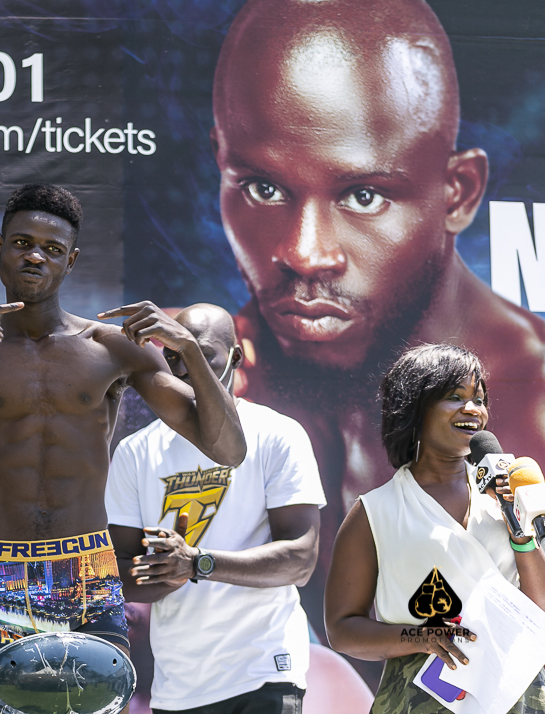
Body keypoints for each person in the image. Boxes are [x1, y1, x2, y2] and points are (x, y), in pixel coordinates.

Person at [211, 0, 545, 653]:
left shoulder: (534, 400)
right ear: (221, 163)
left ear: (458, 192)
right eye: (263, 188)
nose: (305, 253)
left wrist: (523, 533)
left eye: (363, 195)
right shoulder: (214, 384)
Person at [0, 183, 246, 713]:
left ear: (72, 260)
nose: (35, 257)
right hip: (2, 566)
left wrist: (187, 350)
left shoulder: (111, 348)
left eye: (52, 248)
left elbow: (227, 448)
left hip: (87, 565)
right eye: (22, 243)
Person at [106, 303, 326, 713]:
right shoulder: (135, 452)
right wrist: (166, 571)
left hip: (264, 671)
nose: (184, 369)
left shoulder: (277, 434)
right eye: (173, 356)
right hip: (178, 685)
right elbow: (120, 574)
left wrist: (197, 563)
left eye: (199, 353)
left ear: (235, 358)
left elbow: (299, 561)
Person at [324, 344, 545, 712]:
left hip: (518, 693)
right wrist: (421, 638)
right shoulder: (374, 511)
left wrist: (520, 530)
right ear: (415, 407)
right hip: (422, 698)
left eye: (479, 399)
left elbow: (539, 610)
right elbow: (342, 629)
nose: (473, 409)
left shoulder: (509, 494)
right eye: (455, 397)